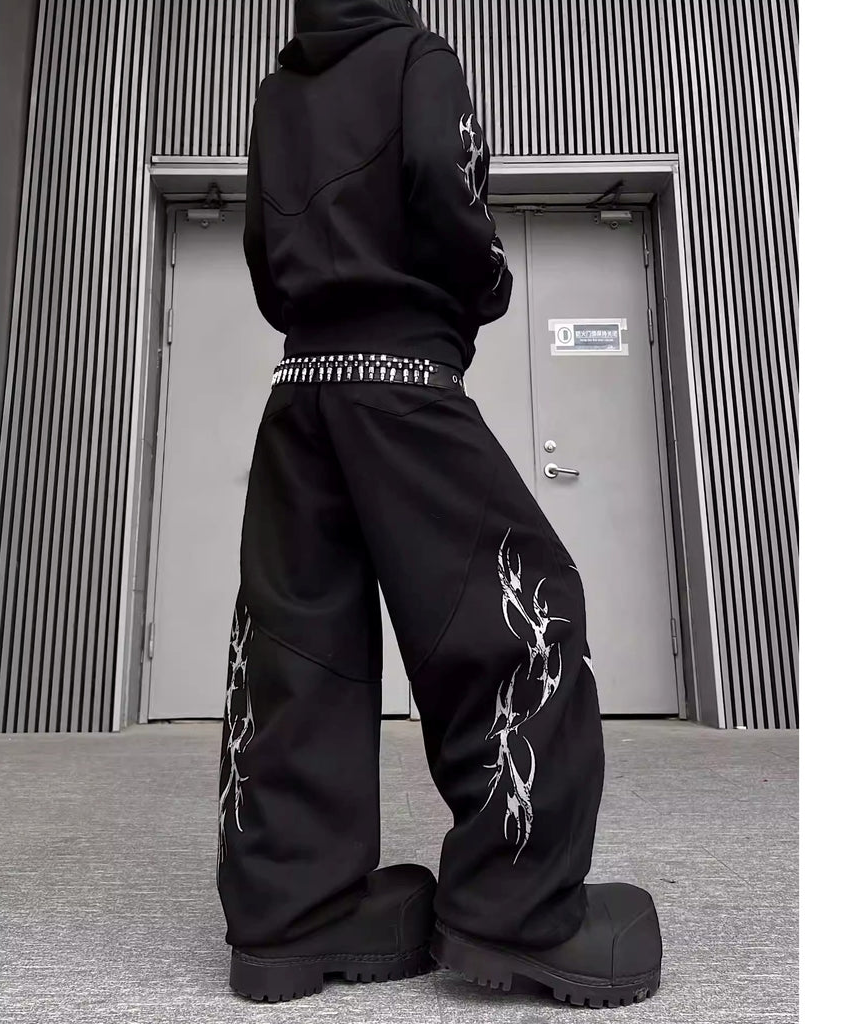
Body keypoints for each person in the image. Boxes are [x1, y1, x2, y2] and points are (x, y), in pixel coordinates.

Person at [216, 0, 663, 1007]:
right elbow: (444, 183)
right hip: (402, 380)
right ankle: (521, 910)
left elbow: (260, 253)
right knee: (525, 607)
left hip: (300, 390)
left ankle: (292, 914)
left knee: (297, 647)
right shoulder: (417, 57)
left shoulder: (278, 92)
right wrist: (484, 284)